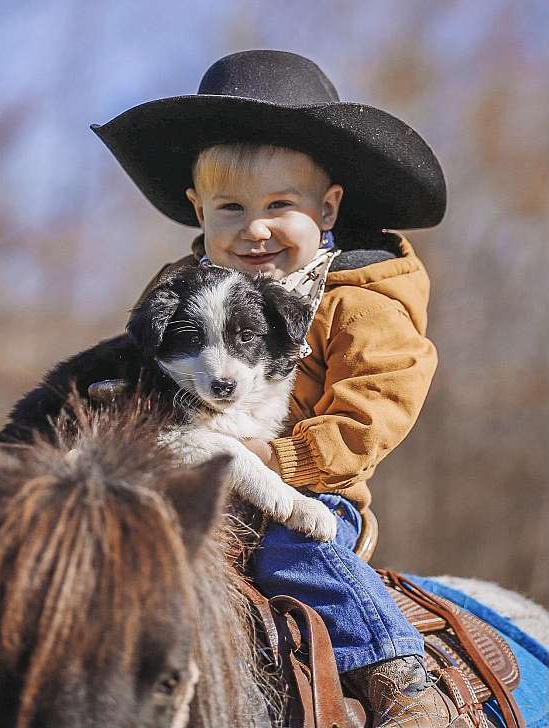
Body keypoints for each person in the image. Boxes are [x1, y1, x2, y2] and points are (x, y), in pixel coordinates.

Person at [92, 50, 461, 726]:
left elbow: (375, 406)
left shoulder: (362, 293)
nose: (254, 227)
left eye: (280, 205)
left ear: (328, 207)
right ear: (198, 209)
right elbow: (146, 372)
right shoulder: (184, 289)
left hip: (306, 493)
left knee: (298, 556)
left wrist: (280, 464)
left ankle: (397, 673)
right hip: (184, 484)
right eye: (231, 207)